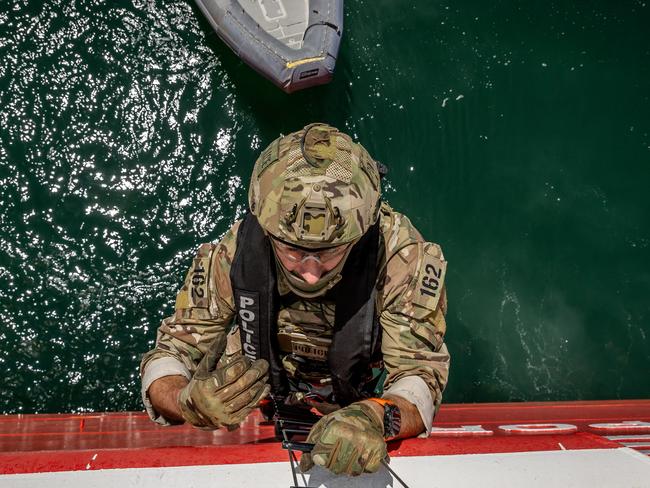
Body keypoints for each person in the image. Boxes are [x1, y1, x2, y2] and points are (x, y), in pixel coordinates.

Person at [140, 123, 450, 476]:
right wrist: (186, 401)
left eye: (330, 251)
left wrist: (376, 416)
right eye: (292, 250)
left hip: (354, 399)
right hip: (255, 388)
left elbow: (419, 374)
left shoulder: (400, 259)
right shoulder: (233, 255)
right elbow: (169, 355)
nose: (311, 272)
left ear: (360, 232)